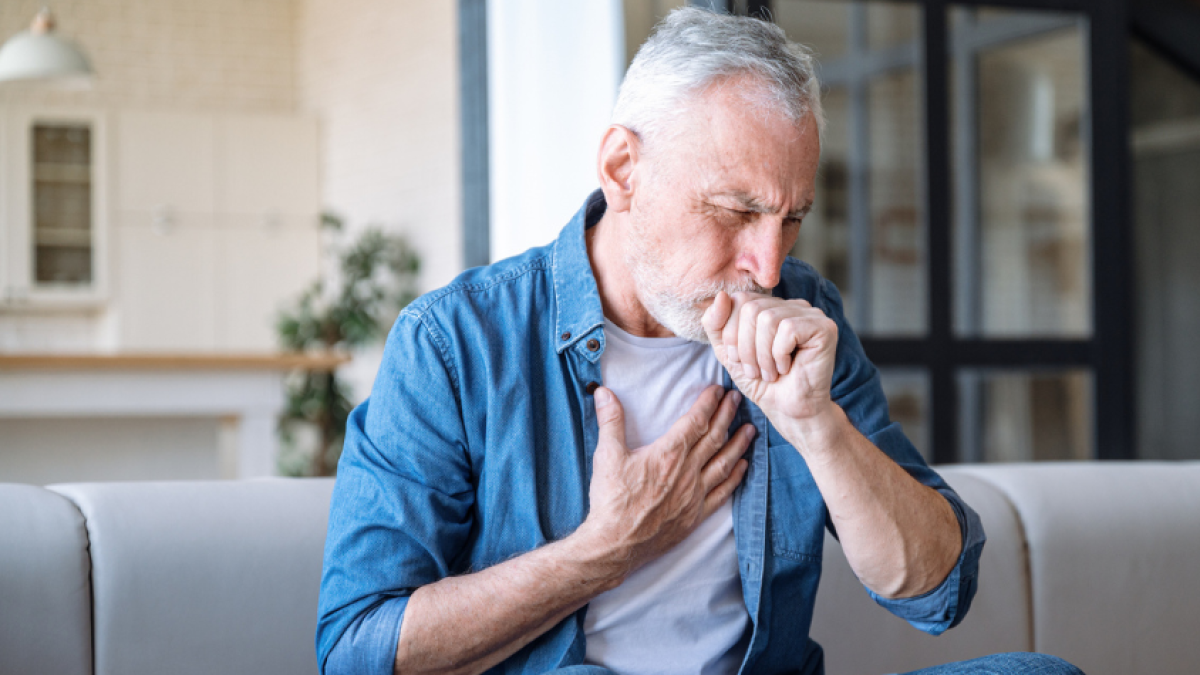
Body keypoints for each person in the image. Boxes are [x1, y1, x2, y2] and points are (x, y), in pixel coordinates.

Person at [316, 9, 1083, 675]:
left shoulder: (803, 312)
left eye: (791, 219)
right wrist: (603, 549)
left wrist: (819, 428)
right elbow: (358, 648)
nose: (767, 264)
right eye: (734, 210)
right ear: (623, 169)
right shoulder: (455, 341)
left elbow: (938, 589)